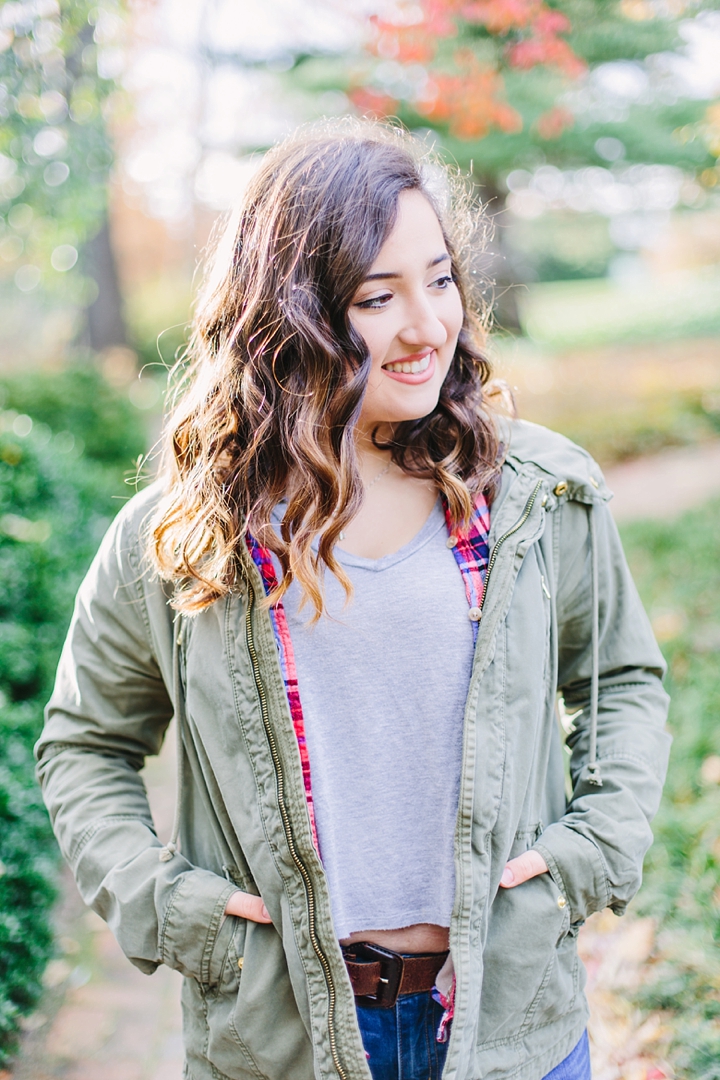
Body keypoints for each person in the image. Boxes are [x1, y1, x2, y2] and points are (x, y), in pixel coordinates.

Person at [37, 120, 671, 1080]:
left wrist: (592, 850)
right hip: (282, 1036)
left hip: (510, 1028)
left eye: (441, 278)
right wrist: (171, 909)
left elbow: (621, 678)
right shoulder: (184, 535)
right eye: (378, 297)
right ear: (288, 315)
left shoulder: (535, 495)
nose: (428, 325)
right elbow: (86, 743)